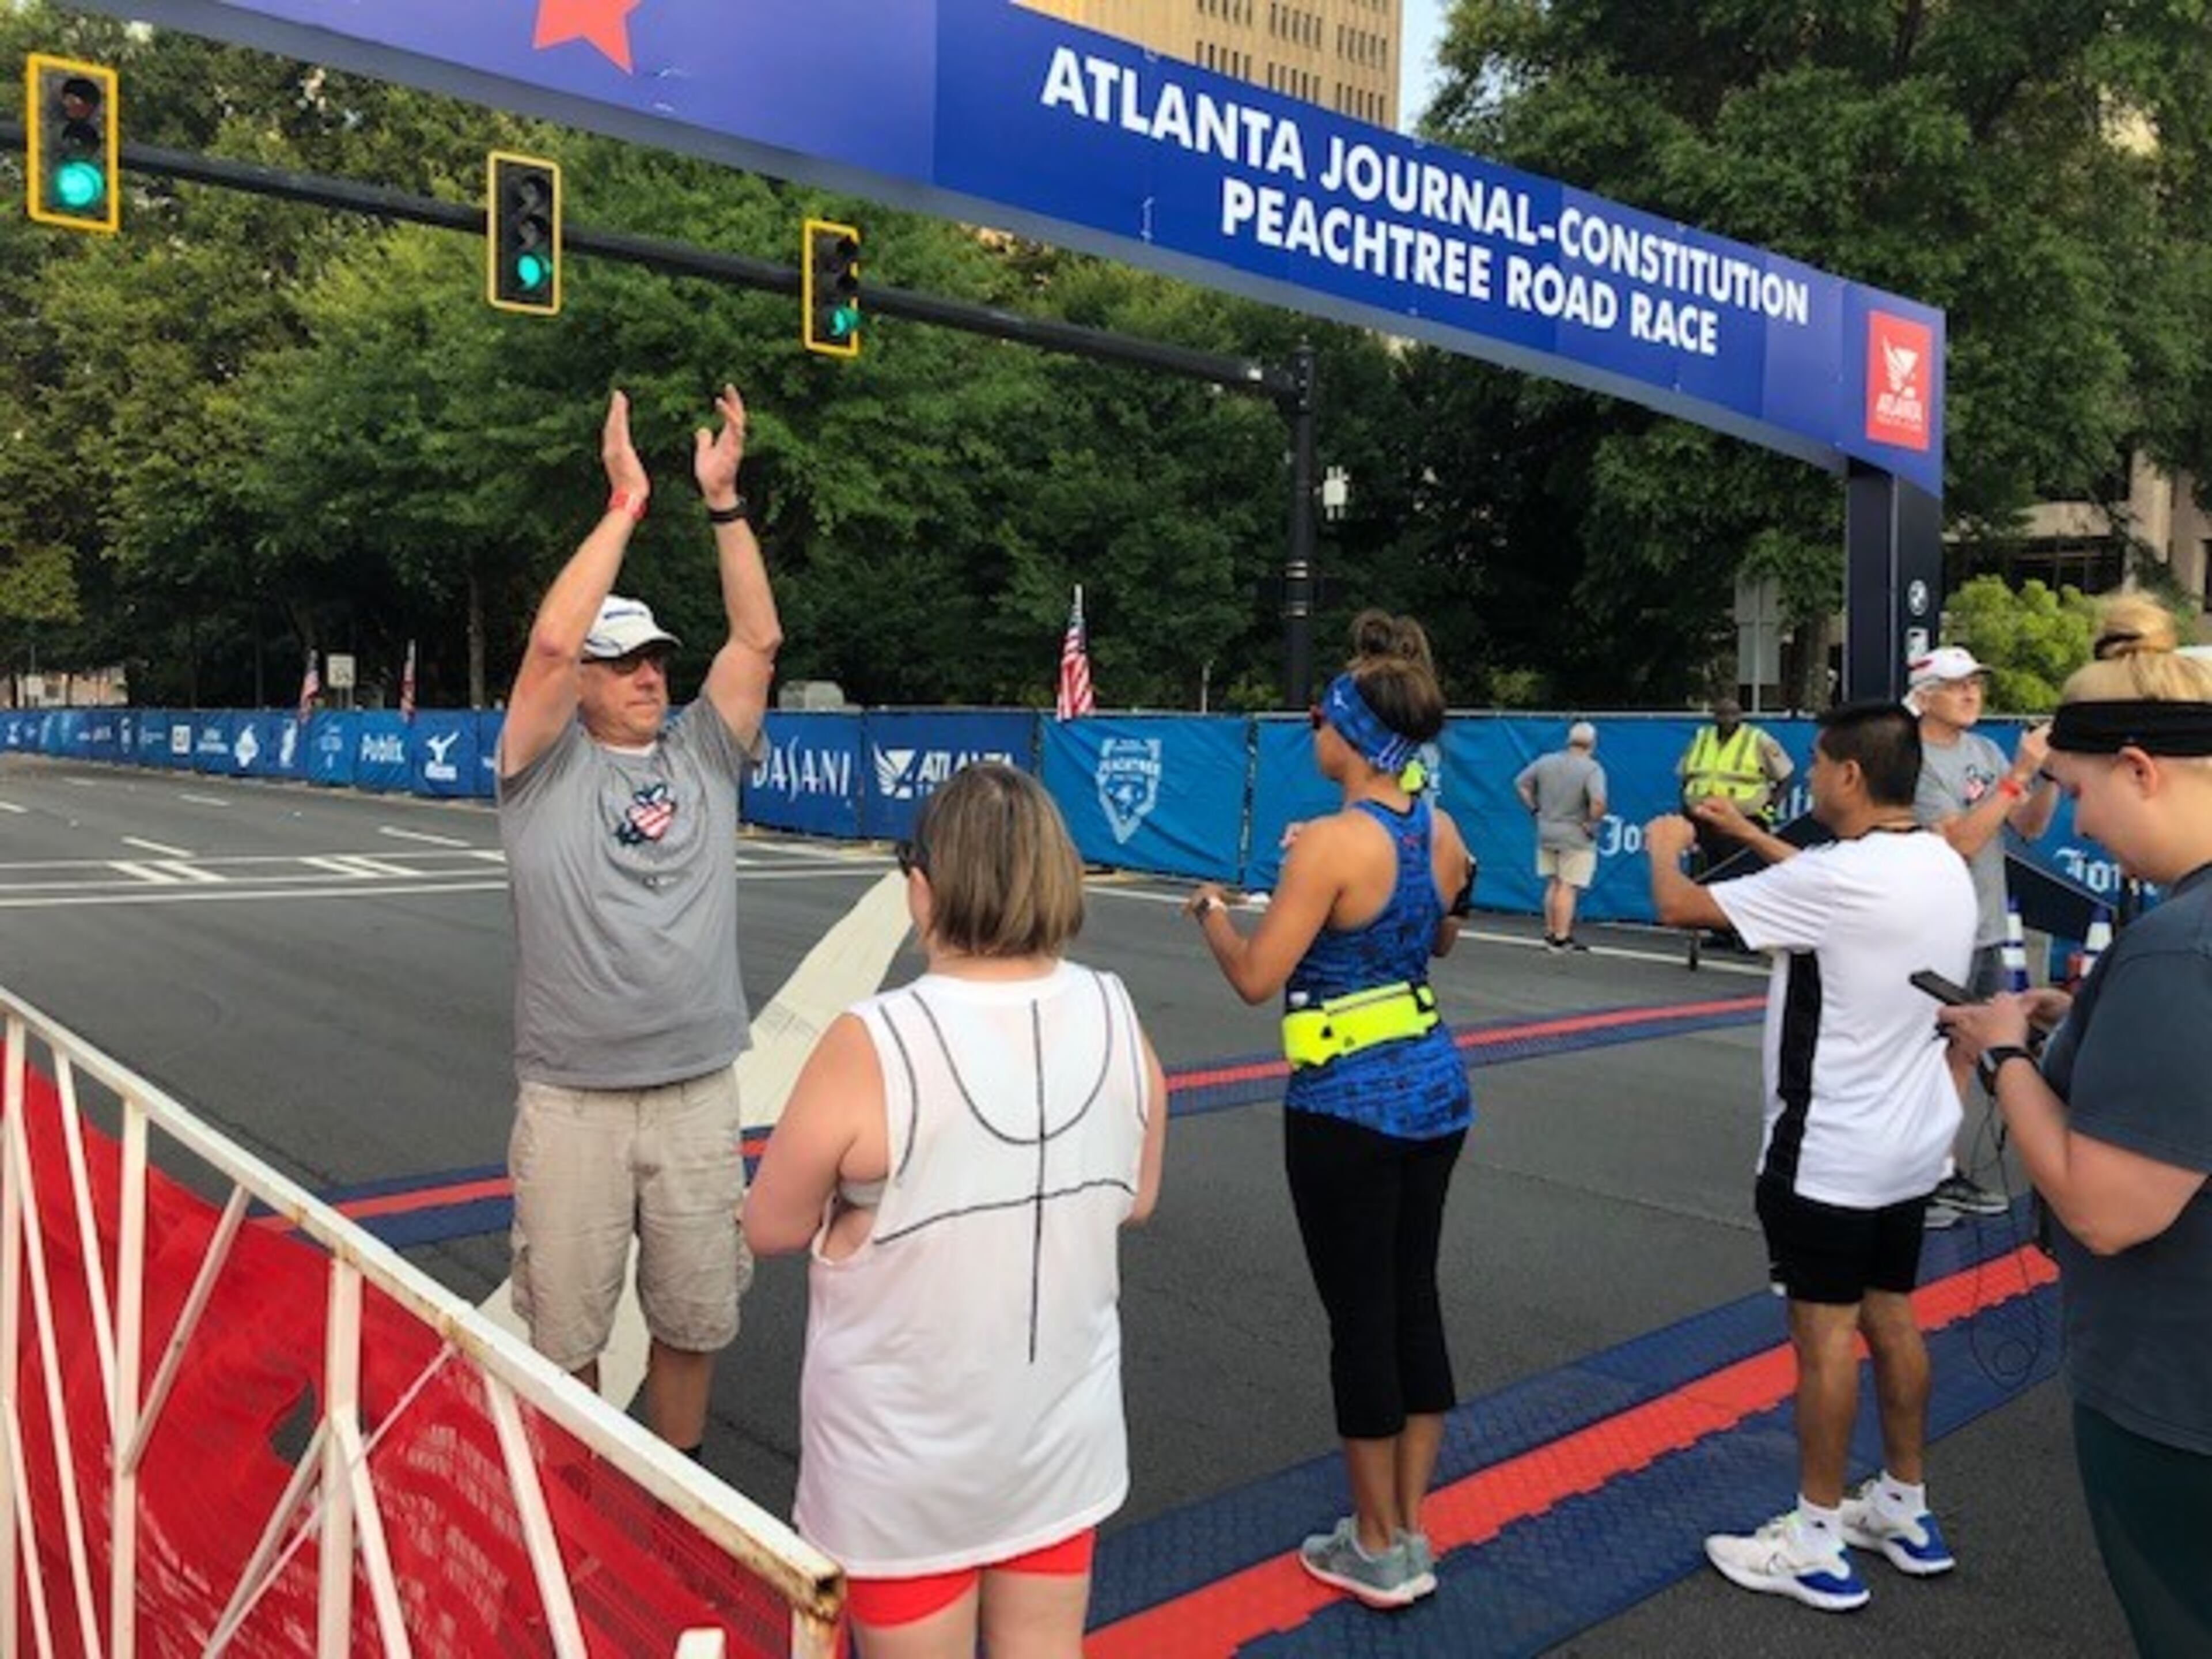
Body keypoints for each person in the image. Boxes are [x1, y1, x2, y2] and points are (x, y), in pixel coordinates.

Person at [745, 763, 1168, 1659]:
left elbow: (770, 1224)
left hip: (906, 1468)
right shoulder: (1113, 1006)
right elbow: (1136, 1196)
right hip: (1059, 1438)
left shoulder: (875, 1038)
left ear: (923, 890)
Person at [1645, 702, 1977, 1614]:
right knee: (1893, 1317)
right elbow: (1826, 886)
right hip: (1912, 1146)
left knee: (1825, 1340)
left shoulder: (1843, 881)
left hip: (1828, 1149)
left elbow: (1679, 907)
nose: (1812, 774)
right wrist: (1749, 830)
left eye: (1818, 762)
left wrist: (1664, 842)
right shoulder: (1937, 864)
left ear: (1851, 778)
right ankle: (1906, 1509)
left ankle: (1817, 1538)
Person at [496, 384, 778, 1458]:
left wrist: (723, 504)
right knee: (565, 1328)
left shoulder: (705, 753)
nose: (653, 674)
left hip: (699, 1091)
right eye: (628, 663)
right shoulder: (538, 768)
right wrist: (624, 503)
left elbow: (757, 638)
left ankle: (677, 1506)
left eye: (658, 657)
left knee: (693, 1317)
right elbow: (549, 651)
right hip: (573, 1101)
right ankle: (574, 1511)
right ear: (586, 687)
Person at [1937, 597, 2212, 1658]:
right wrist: (2080, 1028)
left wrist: (2007, 1052)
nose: (2081, 824)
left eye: (2081, 792)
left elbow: (2104, 1208)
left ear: (2142, 768)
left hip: (2174, 1400)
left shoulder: (2179, 945)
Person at [1184, 611, 1476, 1609]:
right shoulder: (1437, 829)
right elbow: (1438, 939)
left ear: (1350, 733)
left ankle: (1378, 1547)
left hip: (1344, 1110)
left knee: (1360, 1321)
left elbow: (1260, 979)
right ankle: (1410, 1521)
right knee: (1413, 1304)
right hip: (1437, 1093)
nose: (1311, 730)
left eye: (1319, 716)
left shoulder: (1329, 847)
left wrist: (1219, 920)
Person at [1908, 645, 2061, 1226]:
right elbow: (1960, 842)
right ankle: (1922, 1175)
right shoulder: (1913, 759)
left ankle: (1939, 1171)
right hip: (1936, 931)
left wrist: (2045, 774)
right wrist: (2021, 772)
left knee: (1968, 1053)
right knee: (1926, 1058)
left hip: (1987, 926)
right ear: (1925, 697)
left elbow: (2028, 827)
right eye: (1956, 685)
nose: (1972, 694)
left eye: (1975, 683)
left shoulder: (1986, 750)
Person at [1514, 719, 1607, 952]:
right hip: (1575, 832)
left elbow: (1521, 783)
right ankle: (1562, 936)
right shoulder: (1592, 769)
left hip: (1547, 828)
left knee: (1553, 883)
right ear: (1592, 744)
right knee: (1568, 885)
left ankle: (1550, 931)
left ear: (1569, 740)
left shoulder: (1546, 761)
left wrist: (1535, 809)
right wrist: (1591, 821)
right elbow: (1598, 801)